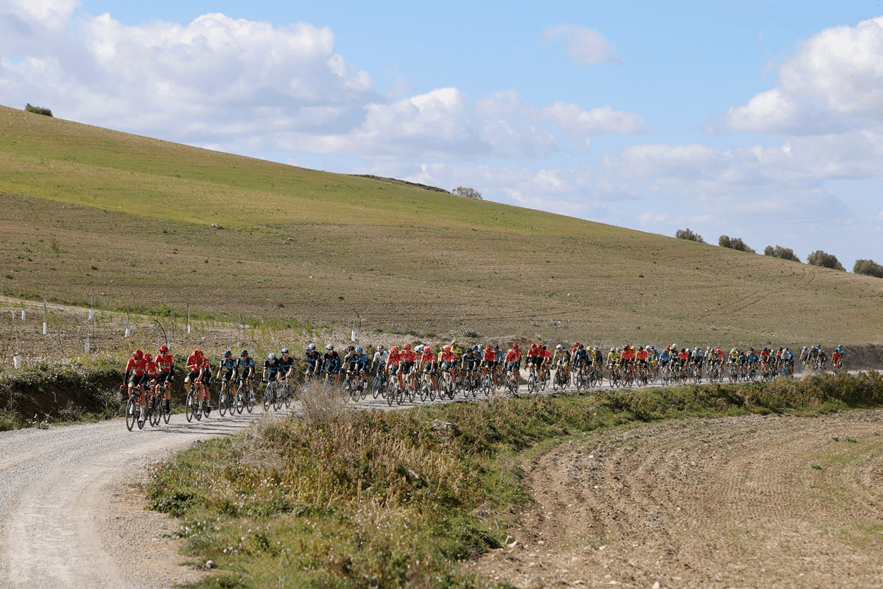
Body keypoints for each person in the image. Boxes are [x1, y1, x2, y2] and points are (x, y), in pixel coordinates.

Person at [124, 349, 148, 426]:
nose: (137, 360)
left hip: (143, 377)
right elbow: (127, 372)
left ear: (142, 357)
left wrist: (140, 384)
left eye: (139, 358)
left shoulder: (145, 362)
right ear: (133, 357)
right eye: (135, 358)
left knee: (142, 392)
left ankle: (142, 414)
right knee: (130, 386)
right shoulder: (130, 361)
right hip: (135, 375)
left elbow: (146, 375)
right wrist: (124, 383)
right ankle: (131, 403)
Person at [156, 344, 175, 412]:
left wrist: (167, 380)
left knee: (166, 386)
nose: (162, 354)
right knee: (157, 386)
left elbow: (172, 369)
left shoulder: (170, 357)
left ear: (167, 352)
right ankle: (158, 401)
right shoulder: (158, 357)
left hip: (169, 373)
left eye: (164, 352)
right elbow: (155, 366)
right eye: (161, 352)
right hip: (162, 373)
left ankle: (167, 404)